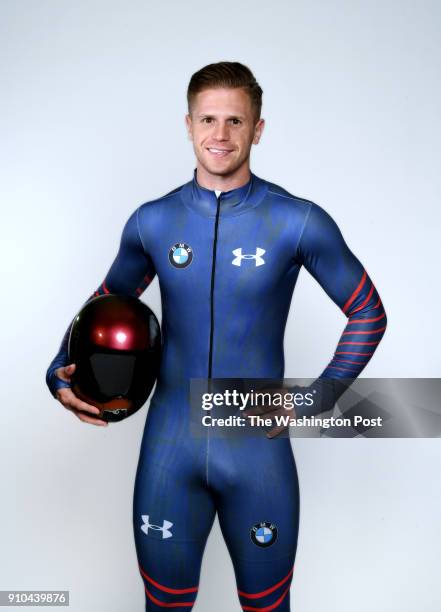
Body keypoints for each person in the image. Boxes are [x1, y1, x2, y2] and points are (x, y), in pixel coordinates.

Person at [46, 61, 387, 611]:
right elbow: (96, 313)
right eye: (208, 119)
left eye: (235, 120)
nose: (220, 135)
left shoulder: (297, 221)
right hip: (169, 447)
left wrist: (318, 397)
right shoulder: (152, 222)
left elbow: (368, 313)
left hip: (257, 453)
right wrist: (56, 375)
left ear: (258, 129)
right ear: (188, 125)